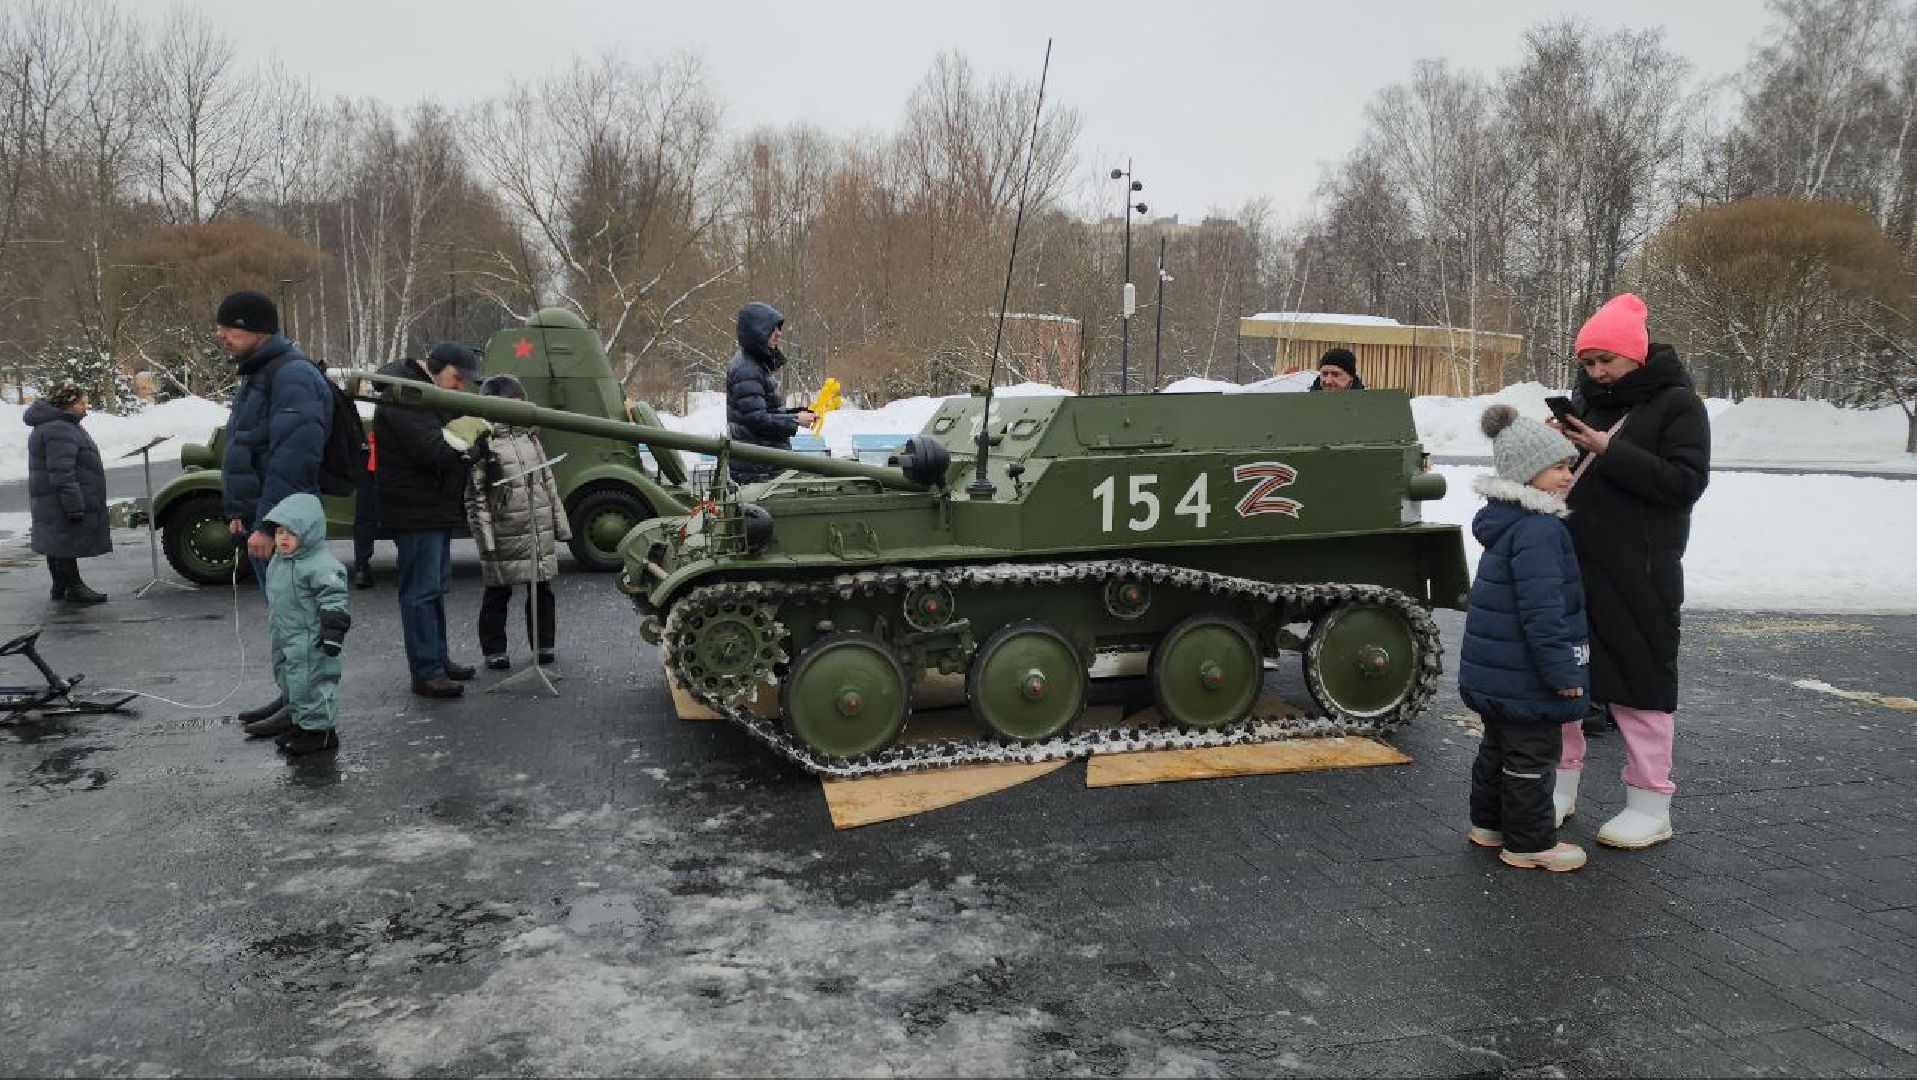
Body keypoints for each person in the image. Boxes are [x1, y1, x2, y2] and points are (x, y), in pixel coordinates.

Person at [1549, 293, 1710, 850]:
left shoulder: (1679, 406)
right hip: (1575, 564)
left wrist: (1607, 450)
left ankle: (1649, 803)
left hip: (1641, 569)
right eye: (1588, 362)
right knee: (1563, 679)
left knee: (1641, 682)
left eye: (1606, 361)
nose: (1596, 372)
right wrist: (1558, 443)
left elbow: (1685, 483)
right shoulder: (1588, 402)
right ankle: (1557, 788)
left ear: (1636, 355)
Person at [1459, 404, 1591, 872]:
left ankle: (1489, 823)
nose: (1567, 476)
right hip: (1527, 675)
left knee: (1498, 746)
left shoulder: (1508, 524)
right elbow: (1543, 612)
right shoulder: (1539, 530)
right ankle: (1530, 841)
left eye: (1568, 466)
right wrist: (1564, 673)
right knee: (1532, 755)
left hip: (1499, 673)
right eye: (1557, 467)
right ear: (1527, 473)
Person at [215, 290, 334, 732]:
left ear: (257, 329)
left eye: (230, 326)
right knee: (285, 621)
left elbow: (293, 459)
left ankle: (306, 712)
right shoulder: (261, 372)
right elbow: (250, 450)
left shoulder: (290, 375)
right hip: (264, 518)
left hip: (285, 526)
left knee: (299, 624)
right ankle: (293, 699)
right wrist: (241, 512)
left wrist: (270, 523)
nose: (221, 334)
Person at [374, 342, 481, 698]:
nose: (460, 386)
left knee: (433, 589)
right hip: (416, 507)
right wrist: (471, 445)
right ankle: (427, 671)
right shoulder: (406, 394)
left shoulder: (418, 390)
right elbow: (433, 450)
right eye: (457, 378)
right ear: (437, 367)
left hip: (429, 506)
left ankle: (437, 660)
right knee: (421, 592)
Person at [464, 375, 571, 670]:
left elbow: (548, 483)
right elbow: (476, 497)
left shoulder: (531, 441)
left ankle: (544, 644)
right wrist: (485, 539)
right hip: (504, 530)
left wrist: (560, 524)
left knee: (542, 590)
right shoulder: (484, 444)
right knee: (498, 591)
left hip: (537, 528)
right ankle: (494, 648)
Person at [257, 493, 350, 757]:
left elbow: (334, 598)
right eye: (280, 532)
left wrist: (333, 630)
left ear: (309, 533)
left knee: (313, 682)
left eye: (291, 533)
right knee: (291, 680)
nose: (283, 538)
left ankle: (321, 732)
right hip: (286, 634)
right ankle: (302, 723)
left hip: (311, 637)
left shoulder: (320, 564)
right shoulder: (281, 561)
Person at [25, 382, 111, 604]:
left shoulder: (57, 425)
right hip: (61, 499)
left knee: (56, 539)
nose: (86, 406)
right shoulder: (59, 429)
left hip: (51, 499)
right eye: (82, 402)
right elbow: (62, 473)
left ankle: (60, 584)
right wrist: (74, 504)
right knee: (64, 540)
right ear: (68, 404)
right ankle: (73, 586)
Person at [725, 301, 816, 484]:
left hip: (762, 464)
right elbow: (757, 420)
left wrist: (797, 414)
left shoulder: (754, 365)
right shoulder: (747, 369)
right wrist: (795, 420)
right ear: (757, 331)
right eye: (773, 329)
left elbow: (766, 413)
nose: (779, 333)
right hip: (758, 469)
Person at [350, 429, 380, 589]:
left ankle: (361, 566)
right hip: (390, 454)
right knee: (399, 513)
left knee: (364, 518)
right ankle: (406, 565)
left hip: (368, 451)